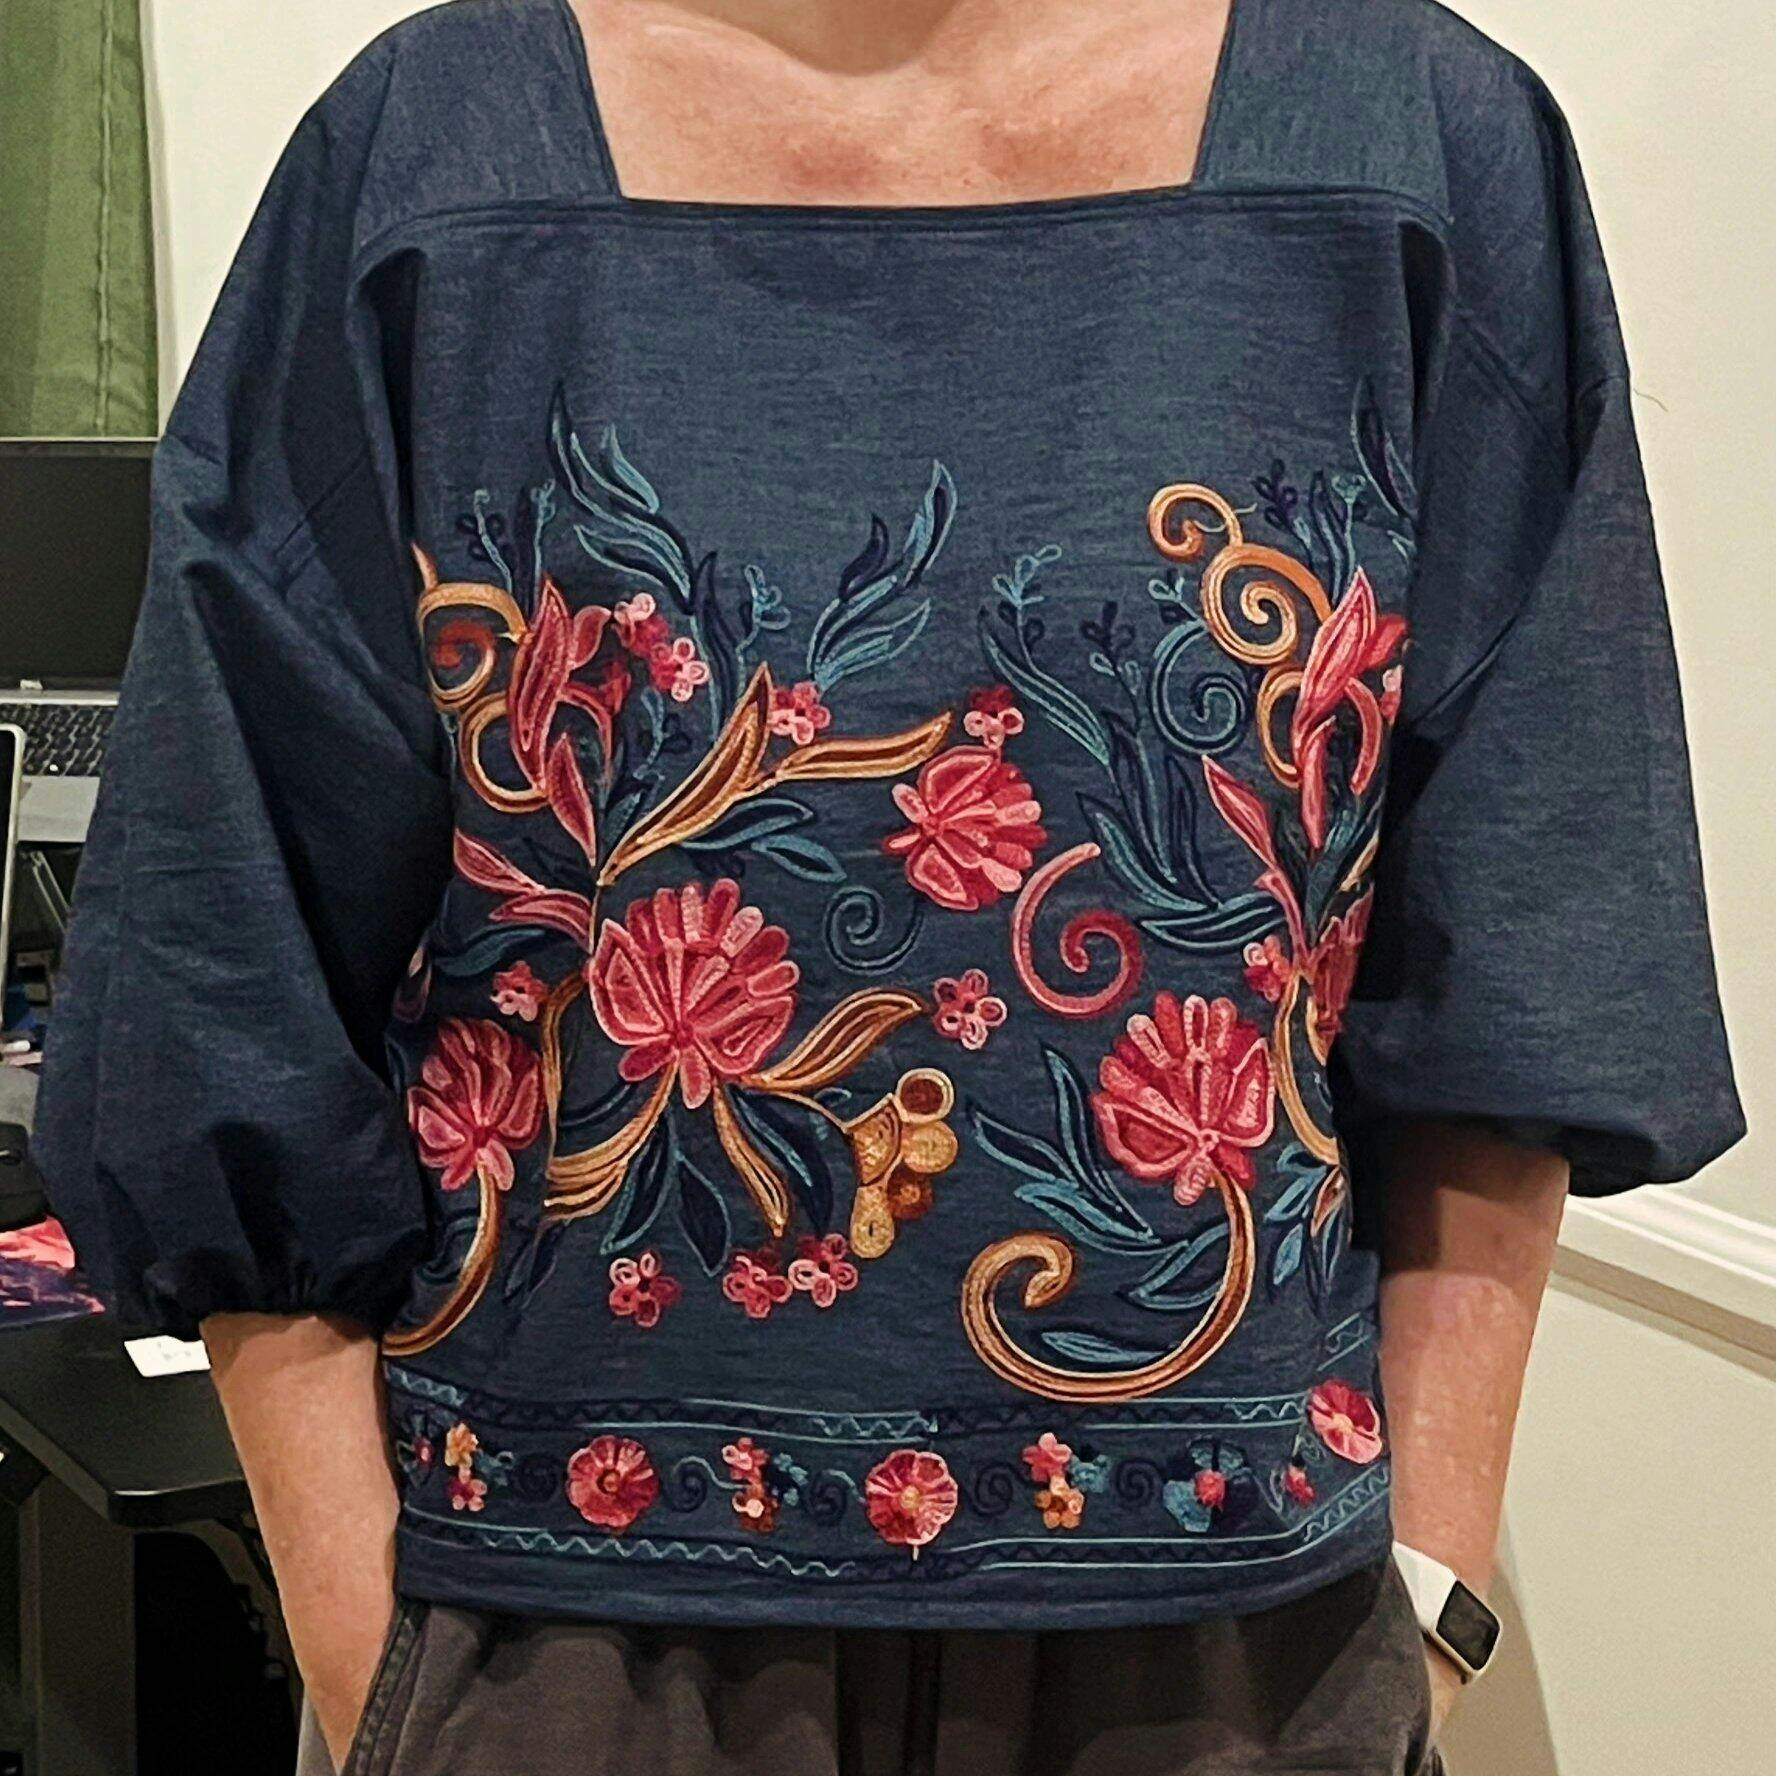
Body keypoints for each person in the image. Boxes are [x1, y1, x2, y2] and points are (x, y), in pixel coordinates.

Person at [36, 1, 1745, 1772]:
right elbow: (220, 949)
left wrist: (1430, 1601)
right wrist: (377, 1667)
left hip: (1236, 1656)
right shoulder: (431, 161)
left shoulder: (1419, 153)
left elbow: (1523, 938)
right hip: (562, 1649)